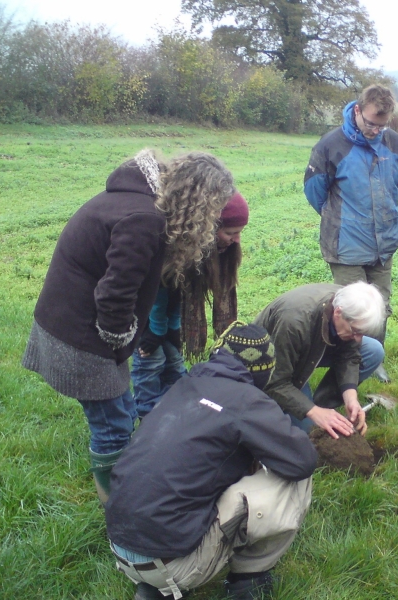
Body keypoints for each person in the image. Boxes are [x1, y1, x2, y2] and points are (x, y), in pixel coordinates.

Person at [21, 149, 234, 502]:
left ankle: (126, 492)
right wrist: (122, 347)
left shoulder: (136, 202)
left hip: (71, 322)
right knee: (113, 426)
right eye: (213, 211)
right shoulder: (142, 219)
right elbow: (114, 297)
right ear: (197, 200)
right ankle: (119, 507)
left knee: (117, 412)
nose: (212, 221)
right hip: (79, 335)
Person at [105, 323, 316, 600]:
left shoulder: (183, 385)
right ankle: (248, 580)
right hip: (175, 565)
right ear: (263, 371)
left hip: (121, 547)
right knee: (297, 480)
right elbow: (302, 460)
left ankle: (156, 589)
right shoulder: (248, 400)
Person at [304, 84, 398, 384]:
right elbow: (315, 193)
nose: (377, 130)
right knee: (351, 310)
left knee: (380, 308)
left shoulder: (394, 143)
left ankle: (374, 360)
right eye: (371, 123)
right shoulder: (331, 145)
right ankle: (346, 366)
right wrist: (345, 220)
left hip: (384, 242)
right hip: (345, 245)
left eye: (383, 124)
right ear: (358, 110)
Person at [130, 191, 249, 414]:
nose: (237, 240)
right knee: (150, 361)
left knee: (174, 361)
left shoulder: (208, 251)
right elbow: (159, 289)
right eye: (231, 232)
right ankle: (148, 417)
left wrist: (173, 328)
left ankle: (177, 412)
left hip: (164, 316)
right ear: (209, 229)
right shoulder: (173, 244)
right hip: (142, 313)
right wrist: (157, 330)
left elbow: (179, 292)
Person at [254, 281, 385, 438]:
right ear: (338, 313)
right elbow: (275, 381)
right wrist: (313, 412)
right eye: (356, 331)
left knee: (373, 350)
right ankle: (313, 411)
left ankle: (323, 406)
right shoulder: (293, 323)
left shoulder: (348, 304)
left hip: (315, 344)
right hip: (272, 362)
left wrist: (351, 397)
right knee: (309, 433)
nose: (358, 339)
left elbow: (349, 354)